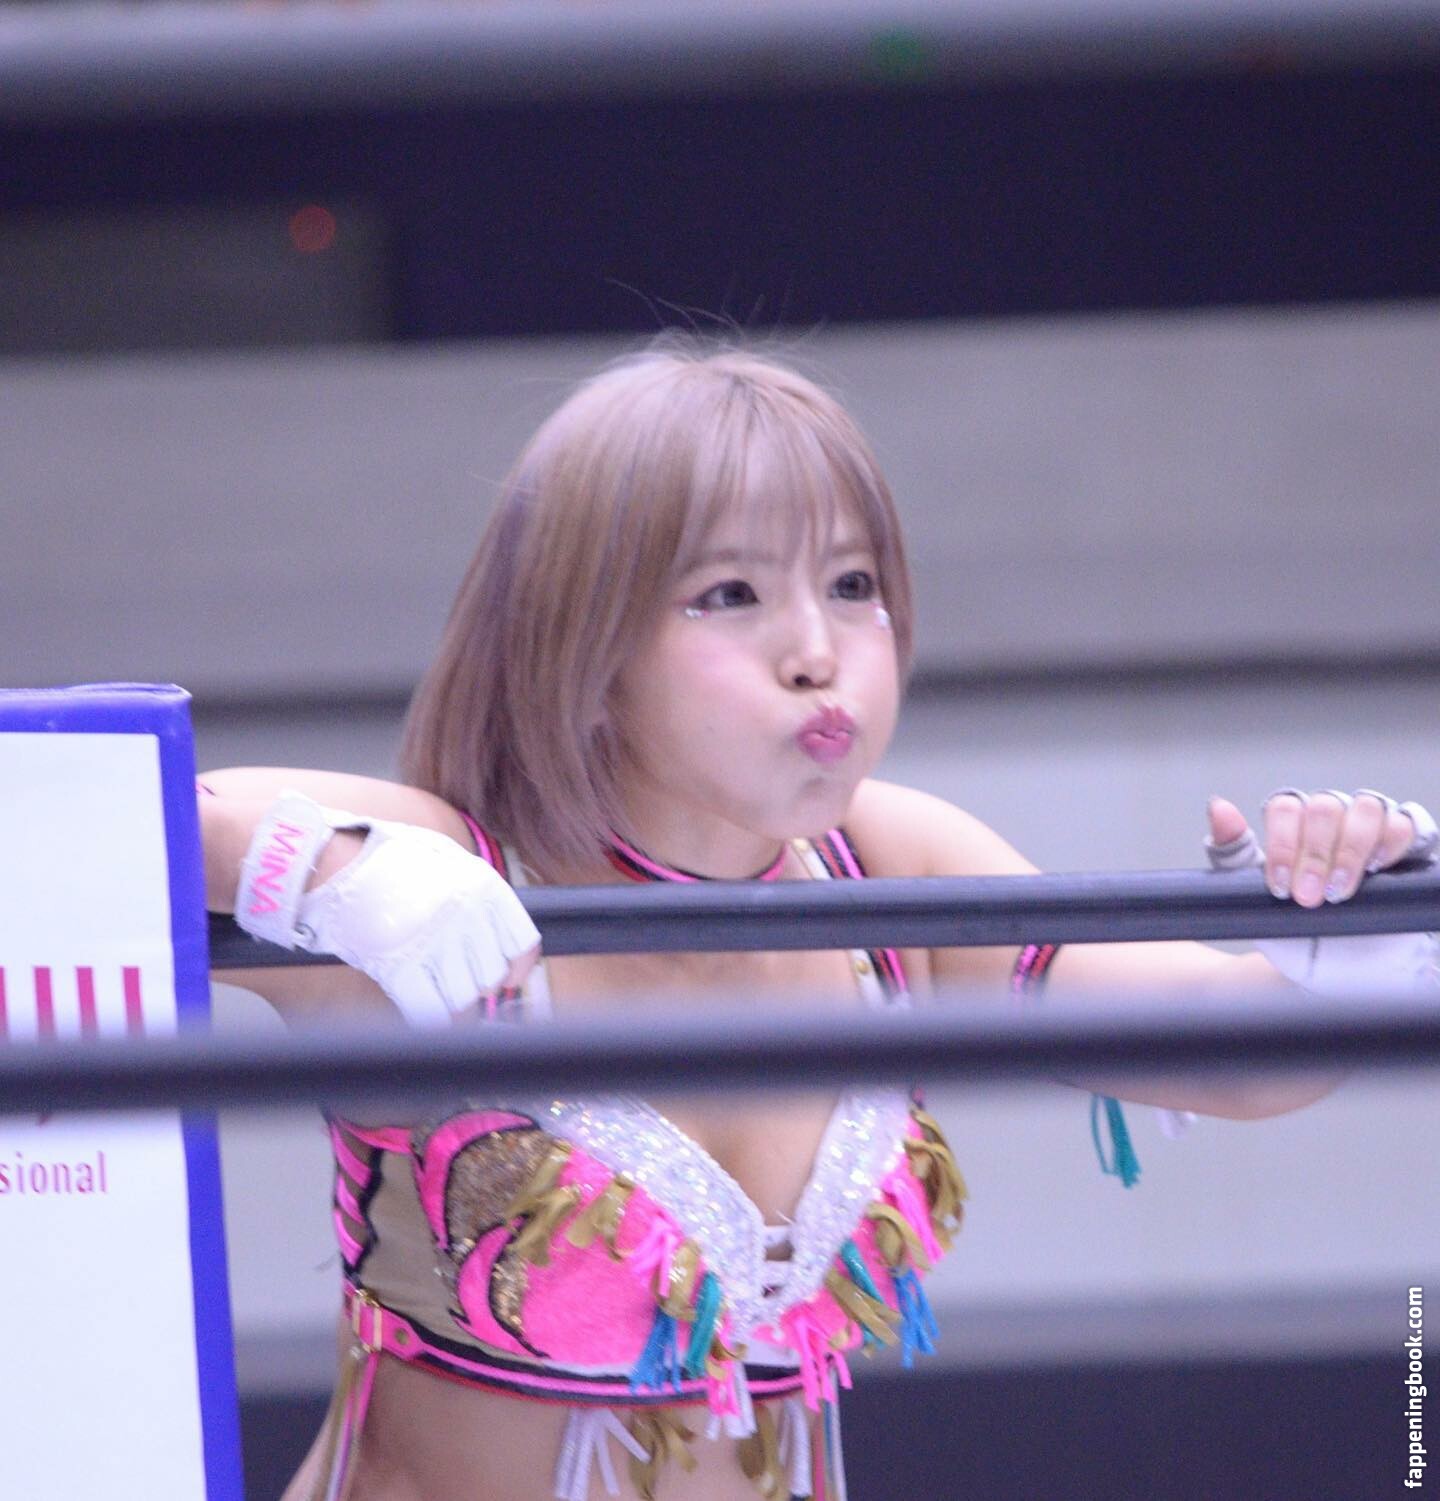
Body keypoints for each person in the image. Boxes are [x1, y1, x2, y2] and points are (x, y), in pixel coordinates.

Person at [200, 341, 1438, 1501]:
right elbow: (120, 806)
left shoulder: (885, 861)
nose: (816, 651)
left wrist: (1353, 950)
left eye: (854, 585)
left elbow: (1225, 1048)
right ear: (581, 641)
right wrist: (324, 874)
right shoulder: (446, 864)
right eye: (729, 593)